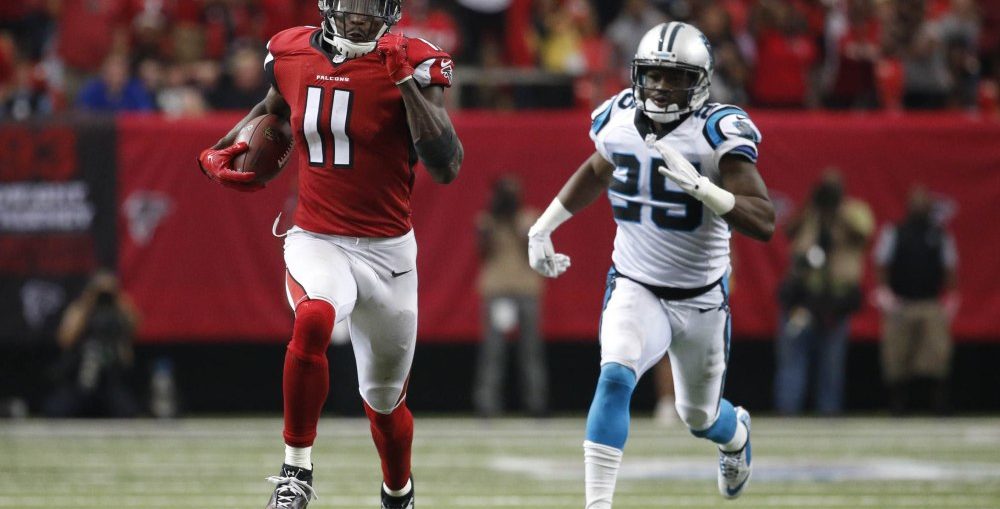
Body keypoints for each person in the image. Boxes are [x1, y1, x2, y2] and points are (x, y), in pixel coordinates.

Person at [196, 1, 464, 507]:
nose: (361, 17)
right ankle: (295, 471)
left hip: (389, 254)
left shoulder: (416, 59)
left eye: (372, 7)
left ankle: (398, 491)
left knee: (385, 403)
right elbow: (273, 110)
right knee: (315, 317)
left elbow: (447, 165)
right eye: (352, 4)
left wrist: (404, 82)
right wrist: (223, 145)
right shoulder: (293, 51)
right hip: (318, 237)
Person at [527, 22, 775, 505]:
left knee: (698, 416)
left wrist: (705, 189)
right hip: (635, 282)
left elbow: (764, 221)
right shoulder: (618, 116)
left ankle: (736, 436)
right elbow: (600, 166)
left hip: (701, 297)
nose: (661, 87)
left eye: (675, 76)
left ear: (701, 81)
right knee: (615, 375)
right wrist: (544, 225)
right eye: (654, 75)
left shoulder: (715, 131)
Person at [774, 170, 874, 415]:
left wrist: (837, 209)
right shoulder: (810, 212)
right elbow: (788, 230)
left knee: (831, 366)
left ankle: (829, 416)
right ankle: (787, 415)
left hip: (836, 303)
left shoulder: (854, 212)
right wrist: (812, 204)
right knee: (793, 362)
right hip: (804, 299)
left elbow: (863, 232)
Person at [873, 187, 958, 415]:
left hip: (930, 302)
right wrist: (884, 293)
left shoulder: (940, 235)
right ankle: (897, 406)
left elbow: (950, 268)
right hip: (901, 302)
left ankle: (938, 406)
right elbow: (881, 264)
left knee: (936, 358)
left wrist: (950, 297)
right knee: (896, 358)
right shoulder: (895, 232)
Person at [473, 176, 548, 418]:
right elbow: (482, 252)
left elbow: (536, 251)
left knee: (530, 349)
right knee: (493, 350)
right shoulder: (486, 222)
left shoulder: (528, 219)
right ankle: (487, 404)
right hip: (497, 290)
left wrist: (523, 230)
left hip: (526, 288)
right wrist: (490, 227)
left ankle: (537, 403)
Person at [44, 270, 140, 418]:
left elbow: (135, 327)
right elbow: (65, 339)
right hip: (79, 377)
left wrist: (117, 298)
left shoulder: (118, 311)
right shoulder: (81, 309)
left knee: (127, 412)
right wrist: (88, 302)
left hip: (110, 380)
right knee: (56, 411)